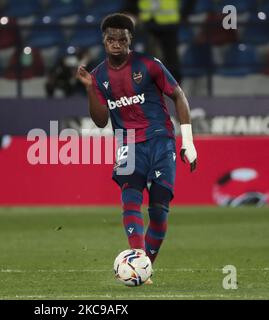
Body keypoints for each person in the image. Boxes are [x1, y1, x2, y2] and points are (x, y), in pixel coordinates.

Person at [76, 13, 197, 284]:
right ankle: (138, 257)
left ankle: (144, 268)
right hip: (128, 143)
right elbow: (101, 120)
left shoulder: (149, 64)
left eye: (122, 39)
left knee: (158, 209)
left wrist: (188, 142)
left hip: (160, 139)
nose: (116, 43)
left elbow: (178, 95)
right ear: (104, 41)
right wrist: (89, 89)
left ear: (130, 40)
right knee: (130, 195)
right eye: (111, 39)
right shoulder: (97, 76)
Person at [123, 0, 197, 84]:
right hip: (147, 22)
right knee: (147, 57)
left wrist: (185, 13)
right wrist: (131, 11)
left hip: (169, 22)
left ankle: (175, 87)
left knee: (171, 58)